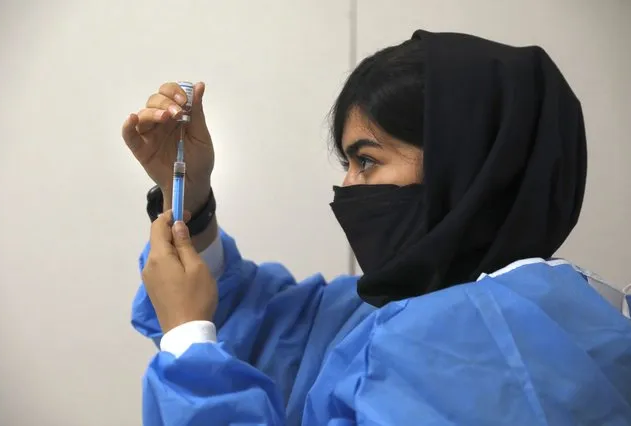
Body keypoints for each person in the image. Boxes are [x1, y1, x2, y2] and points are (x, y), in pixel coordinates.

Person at [122, 30, 631, 425]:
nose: (348, 190)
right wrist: (188, 194)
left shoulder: (476, 349)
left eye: (366, 162)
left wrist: (189, 338)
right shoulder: (417, 310)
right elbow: (273, 331)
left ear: (468, 167)